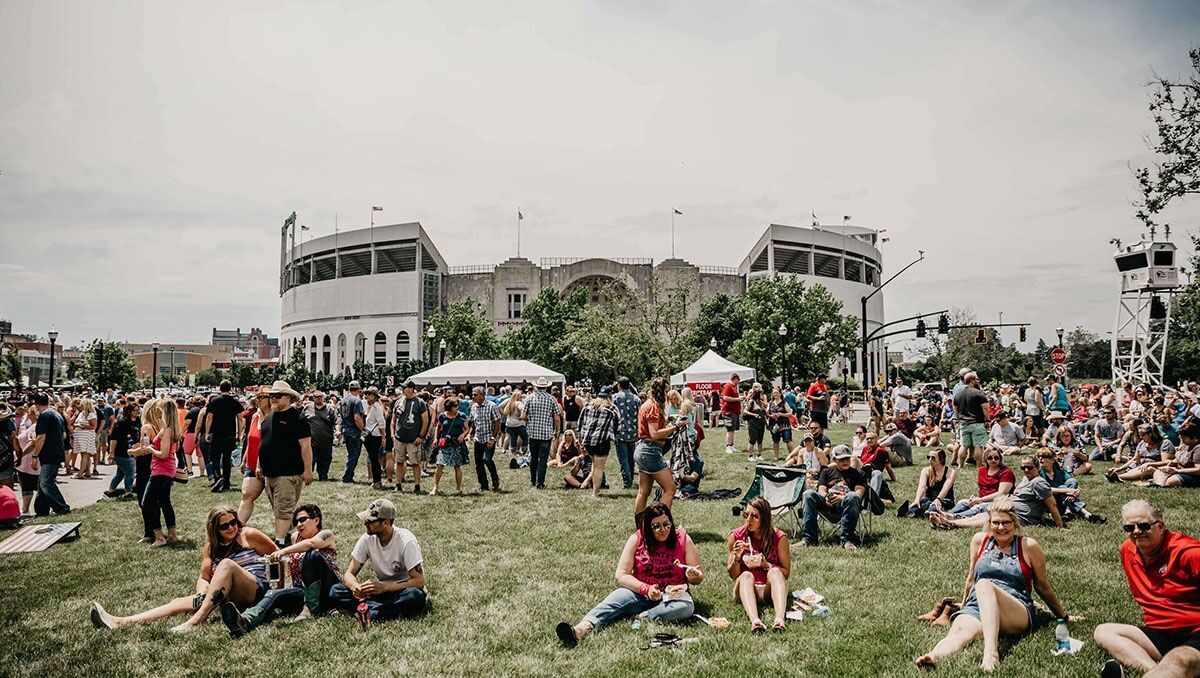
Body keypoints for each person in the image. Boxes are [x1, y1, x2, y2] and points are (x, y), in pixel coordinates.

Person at [916, 499, 1069, 672]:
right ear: (989, 523)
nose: (1001, 527)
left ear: (1015, 523)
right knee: (960, 629)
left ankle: (991, 654)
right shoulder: (979, 541)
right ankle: (934, 655)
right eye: (996, 522)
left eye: (1006, 523)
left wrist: (1062, 615)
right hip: (978, 605)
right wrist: (964, 608)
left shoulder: (1028, 546)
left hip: (1015, 609)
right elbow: (971, 578)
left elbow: (1043, 586)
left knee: (984, 585)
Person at [89, 506, 276, 632]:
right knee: (178, 602)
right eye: (224, 525)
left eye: (233, 522)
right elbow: (203, 577)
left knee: (227, 564)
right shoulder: (211, 547)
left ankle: (196, 621)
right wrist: (203, 593)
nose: (231, 528)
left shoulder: (248, 535)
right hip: (225, 594)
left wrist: (278, 590)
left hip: (255, 590)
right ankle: (120, 622)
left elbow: (277, 555)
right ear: (214, 529)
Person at [556, 502, 703, 646]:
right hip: (640, 592)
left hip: (673, 596)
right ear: (647, 527)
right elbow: (621, 575)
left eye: (667, 524)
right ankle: (581, 629)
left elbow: (698, 576)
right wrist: (646, 589)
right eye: (656, 526)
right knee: (613, 600)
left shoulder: (683, 539)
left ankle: (642, 617)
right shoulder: (637, 539)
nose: (663, 530)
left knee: (686, 607)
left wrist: (694, 577)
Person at [1093, 499, 1200, 678]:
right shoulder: (1128, 550)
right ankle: (1155, 670)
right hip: (1161, 633)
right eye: (1129, 528)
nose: (1136, 532)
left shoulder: (1189, 552)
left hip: (1196, 632)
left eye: (1144, 526)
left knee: (1178, 661)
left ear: (1160, 526)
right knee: (1104, 631)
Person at [221, 504, 342, 636]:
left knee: (311, 555)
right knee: (274, 594)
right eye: (295, 522)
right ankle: (245, 620)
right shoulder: (295, 537)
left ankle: (311, 609)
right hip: (303, 591)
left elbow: (311, 544)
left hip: (328, 590)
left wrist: (282, 551)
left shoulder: (326, 534)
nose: (299, 525)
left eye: (303, 520)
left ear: (316, 520)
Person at [328, 498, 427, 628]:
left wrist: (384, 587)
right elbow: (349, 574)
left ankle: (369, 611)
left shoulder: (406, 541)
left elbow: (419, 582)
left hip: (402, 591)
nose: (365, 523)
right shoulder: (367, 539)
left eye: (370, 521)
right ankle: (374, 610)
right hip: (379, 593)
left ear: (385, 523)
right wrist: (355, 587)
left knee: (415, 596)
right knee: (335, 591)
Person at [930, 456, 1064, 530]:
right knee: (983, 515)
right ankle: (950, 520)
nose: (1026, 470)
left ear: (1038, 467)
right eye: (1024, 467)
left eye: (1030, 467)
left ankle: (951, 523)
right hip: (1007, 509)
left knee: (986, 518)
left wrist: (1060, 526)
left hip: (1022, 517)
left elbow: (1051, 505)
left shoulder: (1039, 482)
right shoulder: (1026, 479)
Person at [256, 381, 314, 543]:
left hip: (287, 473)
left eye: (277, 396)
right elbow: (264, 442)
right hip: (270, 474)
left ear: (288, 397)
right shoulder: (269, 417)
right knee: (280, 508)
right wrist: (260, 465)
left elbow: (306, 446)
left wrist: (308, 470)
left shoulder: (298, 418)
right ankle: (294, 535)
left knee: (283, 510)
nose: (273, 399)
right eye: (271, 396)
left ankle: (279, 543)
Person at [728, 496, 791, 632]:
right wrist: (737, 559)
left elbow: (785, 573)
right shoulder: (736, 536)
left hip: (768, 588)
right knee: (746, 575)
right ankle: (755, 621)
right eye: (746, 514)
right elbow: (733, 575)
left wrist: (766, 565)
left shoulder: (780, 538)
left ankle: (779, 620)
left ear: (765, 518)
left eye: (754, 516)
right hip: (745, 588)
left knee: (775, 571)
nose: (748, 520)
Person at [799, 445, 865, 550]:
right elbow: (821, 490)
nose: (845, 461)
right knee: (808, 494)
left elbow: (859, 493)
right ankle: (808, 539)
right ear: (834, 459)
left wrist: (842, 498)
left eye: (847, 458)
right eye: (841, 459)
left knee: (852, 496)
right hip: (827, 504)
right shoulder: (826, 472)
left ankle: (847, 541)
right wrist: (826, 497)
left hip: (846, 505)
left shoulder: (856, 473)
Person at [634, 378, 682, 519]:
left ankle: (641, 527)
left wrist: (668, 419)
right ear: (661, 391)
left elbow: (652, 428)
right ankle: (658, 521)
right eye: (666, 391)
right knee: (670, 489)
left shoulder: (647, 404)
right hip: (650, 451)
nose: (668, 394)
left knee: (643, 492)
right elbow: (654, 434)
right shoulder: (653, 407)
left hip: (642, 450)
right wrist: (676, 426)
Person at [24, 393, 71, 516]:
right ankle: (41, 511)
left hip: (49, 453)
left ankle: (62, 507)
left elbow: (41, 437)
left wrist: (34, 456)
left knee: (46, 482)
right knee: (41, 484)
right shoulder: (56, 413)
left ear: (35, 403)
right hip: (56, 451)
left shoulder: (44, 416)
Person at [236, 390, 270, 524]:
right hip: (252, 463)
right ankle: (237, 529)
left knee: (277, 503)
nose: (258, 399)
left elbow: (265, 442)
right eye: (257, 397)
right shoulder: (256, 416)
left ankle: (288, 531)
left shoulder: (274, 417)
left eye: (262, 397)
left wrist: (259, 465)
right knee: (246, 495)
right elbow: (252, 440)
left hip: (269, 464)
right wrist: (244, 459)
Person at [205, 380, 245, 493]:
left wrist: (207, 432)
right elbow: (240, 418)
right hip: (230, 434)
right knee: (227, 459)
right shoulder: (235, 402)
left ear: (220, 388)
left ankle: (218, 478)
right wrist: (239, 433)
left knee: (215, 458)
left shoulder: (214, 401)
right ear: (230, 388)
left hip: (217, 434)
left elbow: (209, 417)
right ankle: (226, 481)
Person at [578, 386, 618, 497]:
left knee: (594, 465)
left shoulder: (588, 406)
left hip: (588, 440)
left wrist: (580, 437)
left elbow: (580, 422)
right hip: (602, 441)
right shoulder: (611, 408)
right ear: (609, 396)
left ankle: (593, 489)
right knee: (599, 468)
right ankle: (595, 492)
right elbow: (617, 425)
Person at [523, 377, 562, 490]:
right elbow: (557, 418)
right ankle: (540, 482)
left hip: (533, 432)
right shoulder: (552, 399)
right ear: (546, 387)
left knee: (534, 457)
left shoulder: (529, 398)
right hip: (546, 433)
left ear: (536, 386)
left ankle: (533, 479)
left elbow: (524, 416)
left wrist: (530, 420)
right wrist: (557, 431)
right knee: (543, 459)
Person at [392, 381, 429, 494]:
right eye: (404, 388)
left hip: (413, 439)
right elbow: (394, 420)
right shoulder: (399, 402)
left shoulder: (420, 403)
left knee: (415, 463)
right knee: (399, 461)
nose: (406, 390)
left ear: (412, 389)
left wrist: (421, 436)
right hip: (399, 437)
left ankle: (417, 485)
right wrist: (393, 434)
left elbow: (425, 420)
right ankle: (398, 485)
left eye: (408, 388)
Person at [898, 448, 956, 518]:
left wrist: (938, 499)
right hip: (929, 499)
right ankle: (907, 511)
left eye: (933, 458)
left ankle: (923, 512)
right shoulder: (926, 471)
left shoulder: (950, 472)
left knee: (933, 506)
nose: (930, 460)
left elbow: (945, 488)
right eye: (929, 457)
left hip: (944, 499)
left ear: (941, 459)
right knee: (922, 501)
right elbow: (922, 487)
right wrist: (917, 499)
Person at [1109, 424, 1176, 484]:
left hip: (1157, 469)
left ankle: (1118, 477)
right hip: (1141, 467)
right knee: (1140, 469)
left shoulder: (1165, 443)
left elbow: (1166, 462)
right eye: (1139, 435)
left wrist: (1149, 464)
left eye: (1143, 435)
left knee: (1149, 469)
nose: (1141, 437)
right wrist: (1120, 468)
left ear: (1151, 434)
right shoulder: (1142, 443)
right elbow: (1135, 459)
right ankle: (1119, 476)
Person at [430, 394, 468, 495]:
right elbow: (438, 427)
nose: (457, 407)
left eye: (457, 405)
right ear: (449, 407)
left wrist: (463, 435)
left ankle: (458, 488)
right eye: (455, 406)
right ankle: (435, 487)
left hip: (457, 444)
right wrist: (435, 439)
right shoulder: (442, 416)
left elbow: (467, 428)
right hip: (445, 444)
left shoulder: (462, 416)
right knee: (439, 464)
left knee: (457, 466)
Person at [467, 386, 502, 492]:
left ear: (482, 395)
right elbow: (473, 422)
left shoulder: (492, 406)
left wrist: (493, 438)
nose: (473, 397)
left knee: (487, 459)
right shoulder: (473, 407)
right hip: (478, 438)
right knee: (478, 464)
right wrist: (470, 433)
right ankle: (483, 485)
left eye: (475, 395)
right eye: (472, 394)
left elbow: (497, 422)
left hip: (488, 438)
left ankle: (495, 479)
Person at [102, 402, 140, 499]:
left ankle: (111, 490)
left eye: (138, 409)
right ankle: (128, 493)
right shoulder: (121, 422)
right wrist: (111, 453)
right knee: (130, 472)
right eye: (135, 410)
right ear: (129, 411)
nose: (138, 411)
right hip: (121, 452)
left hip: (132, 450)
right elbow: (114, 439)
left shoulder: (138, 420)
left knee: (120, 473)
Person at [952, 372, 989, 467]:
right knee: (978, 445)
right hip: (977, 422)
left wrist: (959, 420)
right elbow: (985, 408)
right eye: (976, 379)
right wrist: (988, 420)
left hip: (964, 423)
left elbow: (955, 410)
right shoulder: (979, 393)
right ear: (971, 380)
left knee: (963, 445)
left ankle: (961, 465)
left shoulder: (958, 395)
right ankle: (978, 465)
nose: (978, 381)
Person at [1151, 423, 1200, 488]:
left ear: (1193, 437)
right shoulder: (1185, 445)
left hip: (1193, 475)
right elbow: (1179, 458)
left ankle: (1164, 484)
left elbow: (1198, 470)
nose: (1182, 440)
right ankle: (1161, 486)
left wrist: (1177, 471)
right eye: (1181, 438)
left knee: (1172, 481)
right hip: (1179, 470)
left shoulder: (1198, 448)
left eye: (1184, 438)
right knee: (1158, 472)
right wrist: (1172, 462)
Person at [303, 391, 336, 482]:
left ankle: (323, 476)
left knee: (325, 459)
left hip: (326, 440)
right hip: (311, 441)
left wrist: (337, 431)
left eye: (320, 396)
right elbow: (301, 421)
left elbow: (336, 421)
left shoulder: (330, 409)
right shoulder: (307, 408)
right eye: (316, 397)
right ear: (313, 398)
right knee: (311, 459)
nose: (318, 398)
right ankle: (309, 475)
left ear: (323, 397)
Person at [339, 381, 366, 484]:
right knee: (354, 455)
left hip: (345, 429)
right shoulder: (357, 401)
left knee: (350, 454)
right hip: (354, 430)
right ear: (358, 389)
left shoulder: (343, 400)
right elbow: (357, 418)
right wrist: (362, 429)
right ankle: (347, 477)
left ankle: (348, 475)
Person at [362, 387, 388, 490]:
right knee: (373, 459)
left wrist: (383, 437)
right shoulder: (371, 406)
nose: (366, 395)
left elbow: (382, 423)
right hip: (370, 435)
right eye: (366, 393)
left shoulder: (377, 407)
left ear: (374, 396)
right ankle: (376, 480)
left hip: (375, 436)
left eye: (369, 394)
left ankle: (377, 481)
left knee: (374, 459)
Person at [70, 399, 97, 480]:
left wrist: (81, 426)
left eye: (81, 404)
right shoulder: (82, 413)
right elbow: (74, 422)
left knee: (85, 454)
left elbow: (93, 426)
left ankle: (80, 473)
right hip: (81, 436)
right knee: (84, 454)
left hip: (86, 436)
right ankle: (87, 472)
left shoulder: (91, 414)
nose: (79, 405)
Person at [718, 373, 743, 454]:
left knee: (732, 430)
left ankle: (732, 445)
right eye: (738, 380)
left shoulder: (734, 387)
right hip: (728, 411)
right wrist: (737, 399)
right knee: (729, 429)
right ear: (734, 379)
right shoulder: (728, 386)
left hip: (734, 411)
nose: (738, 382)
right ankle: (728, 446)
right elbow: (725, 398)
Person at [767, 387, 793, 461]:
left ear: (780, 393)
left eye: (777, 393)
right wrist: (771, 416)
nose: (775, 394)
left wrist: (781, 414)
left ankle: (792, 455)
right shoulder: (770, 403)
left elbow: (790, 413)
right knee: (775, 441)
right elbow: (767, 413)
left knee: (788, 440)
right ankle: (776, 456)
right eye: (774, 393)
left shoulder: (784, 403)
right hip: (774, 425)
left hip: (784, 424)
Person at [743, 384, 767, 462]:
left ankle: (759, 455)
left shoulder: (761, 403)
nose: (763, 395)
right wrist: (754, 414)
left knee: (760, 440)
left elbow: (765, 412)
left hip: (761, 423)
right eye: (761, 394)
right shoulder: (751, 401)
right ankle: (750, 455)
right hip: (753, 423)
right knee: (752, 439)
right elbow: (745, 411)